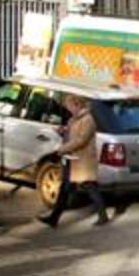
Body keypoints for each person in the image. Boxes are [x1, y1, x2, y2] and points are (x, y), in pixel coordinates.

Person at [39, 95, 109, 228]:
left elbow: (80, 140)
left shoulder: (88, 120)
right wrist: (62, 131)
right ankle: (54, 218)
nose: (67, 108)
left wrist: (62, 149)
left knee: (90, 186)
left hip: (82, 160)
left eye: (69, 106)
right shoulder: (73, 119)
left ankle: (103, 216)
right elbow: (71, 135)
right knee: (65, 188)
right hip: (71, 159)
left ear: (77, 105)